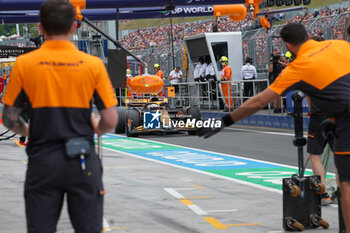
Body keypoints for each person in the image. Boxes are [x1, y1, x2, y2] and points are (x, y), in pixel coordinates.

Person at [198, 22, 350, 231]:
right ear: (307, 35)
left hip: (346, 121)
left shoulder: (297, 67)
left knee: (347, 185)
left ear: (288, 45)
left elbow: (259, 101)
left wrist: (225, 121)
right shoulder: (339, 45)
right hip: (339, 119)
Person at [2, 1, 118, 232]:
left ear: (41, 28)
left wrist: (32, 132)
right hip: (82, 158)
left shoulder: (24, 63)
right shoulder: (93, 65)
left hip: (43, 159)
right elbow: (111, 120)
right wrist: (94, 128)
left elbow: (9, 118)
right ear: (74, 27)